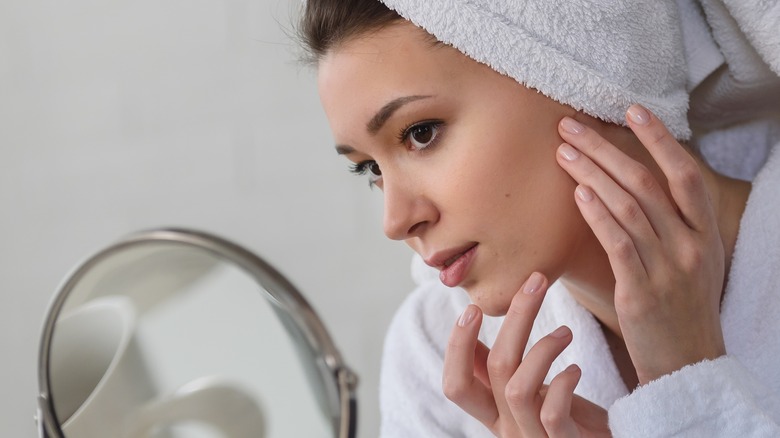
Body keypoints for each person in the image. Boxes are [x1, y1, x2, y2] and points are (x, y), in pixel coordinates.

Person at [297, 0, 780, 436]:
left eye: (421, 133)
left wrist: (689, 383)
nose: (395, 221)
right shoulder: (436, 355)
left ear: (580, 70)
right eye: (369, 169)